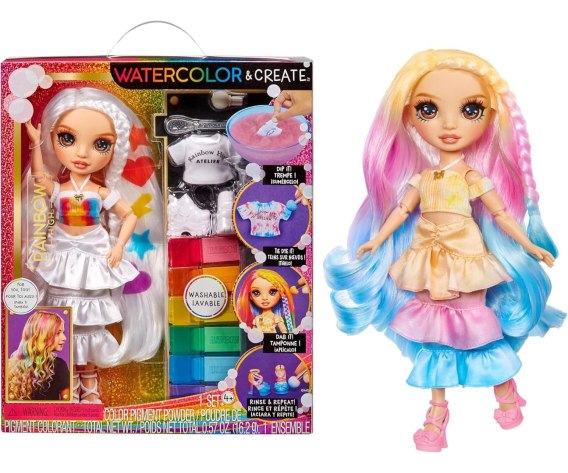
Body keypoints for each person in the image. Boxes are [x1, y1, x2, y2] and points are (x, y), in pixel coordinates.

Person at [324, 50, 564, 451]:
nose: (450, 125)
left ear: (489, 118)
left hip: (465, 259)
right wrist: (377, 240)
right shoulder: (422, 177)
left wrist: (528, 245)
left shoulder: (471, 176)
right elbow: (402, 210)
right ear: (409, 116)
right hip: (426, 258)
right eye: (429, 109)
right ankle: (437, 412)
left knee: (477, 326)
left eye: (470, 110)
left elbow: (501, 215)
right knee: (433, 334)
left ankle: (504, 389)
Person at [23, 87, 164, 403]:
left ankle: (89, 380)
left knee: (91, 321)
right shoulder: (58, 188)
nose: (82, 153)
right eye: (68, 139)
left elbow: (128, 216)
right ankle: (68, 378)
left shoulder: (101, 192)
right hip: (62, 256)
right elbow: (38, 177)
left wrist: (119, 246)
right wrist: (35, 143)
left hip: (93, 255)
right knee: (65, 319)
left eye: (101, 144)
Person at [8, 311, 69, 401]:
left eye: (63, 332)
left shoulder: (11, 365)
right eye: (58, 333)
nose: (64, 338)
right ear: (43, 335)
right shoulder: (59, 366)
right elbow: (67, 403)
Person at [237, 269, 297, 333]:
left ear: (280, 294)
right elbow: (254, 331)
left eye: (272, 292)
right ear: (250, 296)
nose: (264, 298)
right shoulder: (257, 318)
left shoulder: (275, 317)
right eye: (256, 293)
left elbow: (283, 330)